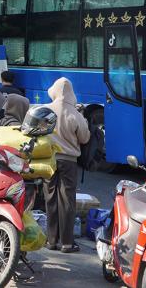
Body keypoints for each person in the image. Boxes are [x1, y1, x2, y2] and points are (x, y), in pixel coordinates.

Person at [44, 77, 90, 253]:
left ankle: (51, 241)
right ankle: (67, 243)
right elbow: (84, 138)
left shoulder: (46, 110)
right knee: (67, 200)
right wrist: (82, 119)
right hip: (69, 161)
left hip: (49, 159)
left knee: (50, 198)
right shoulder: (75, 114)